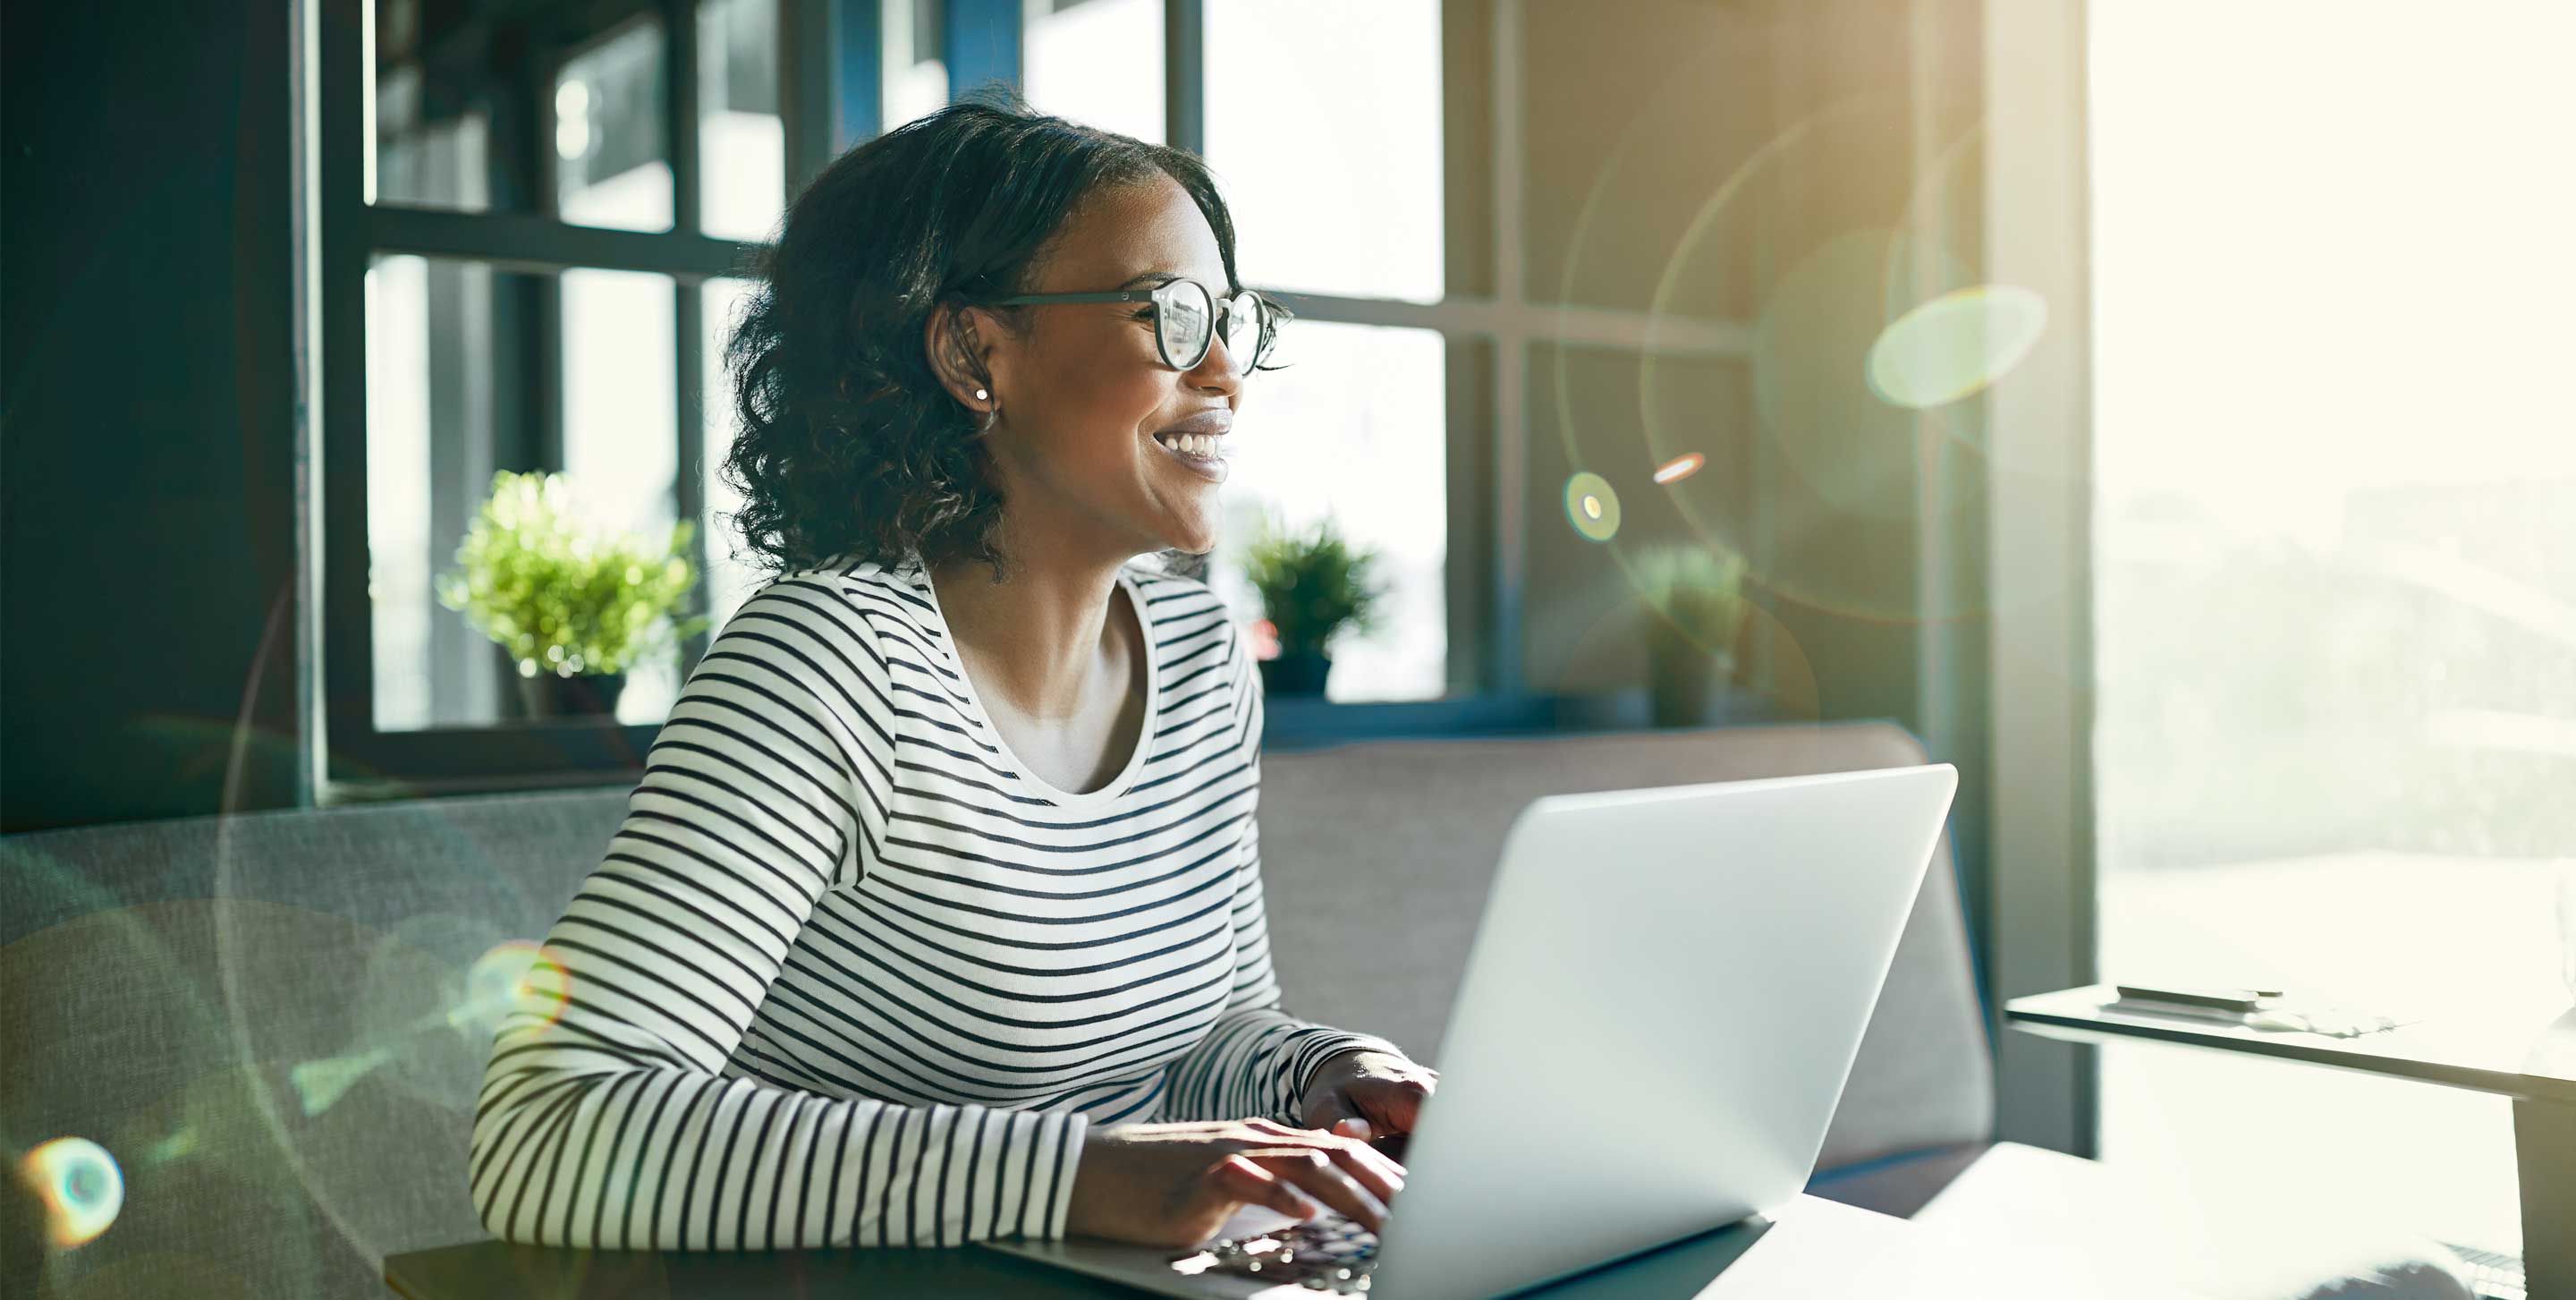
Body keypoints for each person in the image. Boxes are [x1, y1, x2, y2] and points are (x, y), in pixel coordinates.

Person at [466, 87, 1437, 1253]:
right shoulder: (827, 665)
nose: (1226, 370)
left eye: (1232, 318)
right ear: (977, 353)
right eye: (1170, 315)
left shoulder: (1197, 660)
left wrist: (1324, 1076)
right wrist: (1076, 1176)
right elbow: (547, 1123)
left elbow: (1202, 1037)